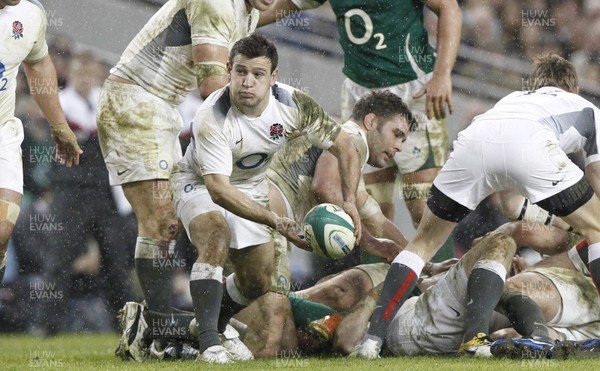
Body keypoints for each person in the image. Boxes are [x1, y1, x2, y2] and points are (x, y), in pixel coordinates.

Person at [352, 54, 600, 359]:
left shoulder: (513, 100)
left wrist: (559, 219)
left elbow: (510, 203)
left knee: (422, 244)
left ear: (534, 86)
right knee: (598, 228)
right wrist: (580, 221)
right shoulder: (587, 108)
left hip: (474, 140)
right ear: (574, 88)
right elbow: (596, 178)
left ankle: (372, 340)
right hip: (533, 145)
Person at [169, 33, 362, 364]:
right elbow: (218, 190)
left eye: (257, 74)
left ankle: (202, 326)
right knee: (216, 235)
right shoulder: (212, 116)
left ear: (273, 78)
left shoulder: (294, 105)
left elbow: (344, 146)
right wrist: (276, 220)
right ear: (228, 70)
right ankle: (208, 343)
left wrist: (349, 201)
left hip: (252, 186)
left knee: (256, 282)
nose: (247, 82)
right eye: (240, 72)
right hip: (199, 183)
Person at [96, 0, 274, 355]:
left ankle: (153, 326)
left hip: (162, 108)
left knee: (175, 223)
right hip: (136, 101)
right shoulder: (217, 3)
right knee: (161, 222)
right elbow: (212, 88)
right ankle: (160, 330)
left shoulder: (250, 8)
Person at [235, 90, 414, 357]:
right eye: (397, 134)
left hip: (254, 215)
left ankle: (190, 330)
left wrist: (418, 259)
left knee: (280, 341)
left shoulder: (350, 158)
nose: (400, 145)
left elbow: (376, 219)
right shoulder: (352, 138)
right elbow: (324, 187)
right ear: (371, 121)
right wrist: (371, 243)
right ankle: (173, 329)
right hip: (263, 217)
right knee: (269, 341)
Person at [260, 0, 462, 228]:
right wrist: (241, 23)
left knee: (422, 202)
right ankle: (380, 262)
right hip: (361, 94)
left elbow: (448, 7)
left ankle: (440, 264)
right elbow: (289, 4)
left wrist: (442, 74)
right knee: (371, 201)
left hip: (413, 89)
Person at [0, 0, 82, 282]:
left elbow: (37, 63)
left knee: (2, 230)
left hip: (2, 133)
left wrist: (59, 125)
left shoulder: (29, 14)